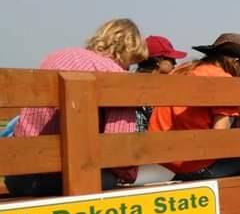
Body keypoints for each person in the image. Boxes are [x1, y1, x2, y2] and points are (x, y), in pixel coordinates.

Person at [6, 18, 148, 196]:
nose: (128, 68)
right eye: (131, 62)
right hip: (63, 180)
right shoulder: (116, 76)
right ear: (128, 51)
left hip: (18, 177)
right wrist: (129, 173)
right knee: (109, 179)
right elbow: (117, 145)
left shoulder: (56, 56)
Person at [149, 33, 240, 180]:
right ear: (237, 62)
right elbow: (219, 137)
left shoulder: (182, 69)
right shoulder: (223, 81)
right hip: (192, 166)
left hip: (161, 159)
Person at [134, 35, 187, 132]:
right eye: (171, 59)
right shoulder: (148, 88)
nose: (175, 63)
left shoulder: (134, 82)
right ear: (158, 61)